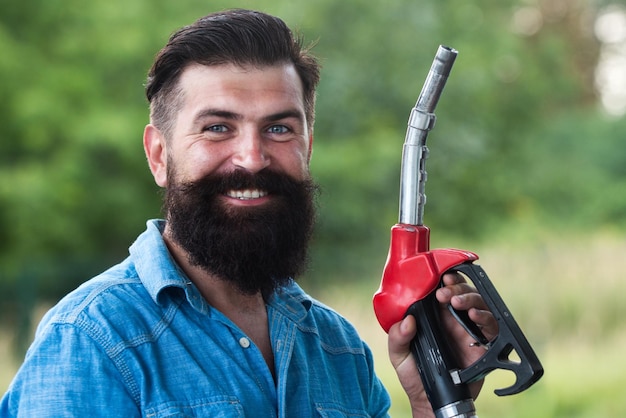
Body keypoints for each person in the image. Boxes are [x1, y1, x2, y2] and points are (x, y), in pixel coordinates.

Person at [0, 9, 497, 417]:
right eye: (217, 128)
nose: (253, 158)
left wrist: (432, 401)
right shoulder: (92, 344)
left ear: (308, 145)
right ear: (159, 156)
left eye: (279, 129)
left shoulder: (337, 350)